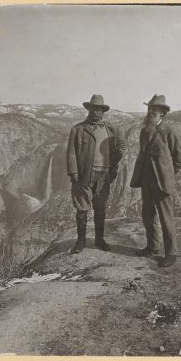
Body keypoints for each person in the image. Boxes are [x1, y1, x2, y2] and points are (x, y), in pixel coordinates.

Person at [66, 94, 127, 254]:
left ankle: (100, 240)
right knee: (82, 209)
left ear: (103, 112)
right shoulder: (77, 129)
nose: (95, 112)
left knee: (100, 208)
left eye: (98, 110)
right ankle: (81, 242)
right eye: (92, 109)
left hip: (104, 175)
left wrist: (115, 161)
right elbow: (71, 152)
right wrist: (73, 172)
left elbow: (121, 147)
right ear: (88, 110)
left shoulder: (112, 130)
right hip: (84, 175)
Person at [130, 94, 181, 267]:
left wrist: (168, 173)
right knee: (148, 215)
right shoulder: (145, 131)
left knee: (165, 217)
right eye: (150, 109)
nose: (151, 112)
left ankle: (171, 253)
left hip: (163, 182)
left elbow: (179, 158)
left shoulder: (169, 131)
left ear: (163, 114)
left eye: (155, 110)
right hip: (147, 180)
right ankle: (152, 247)